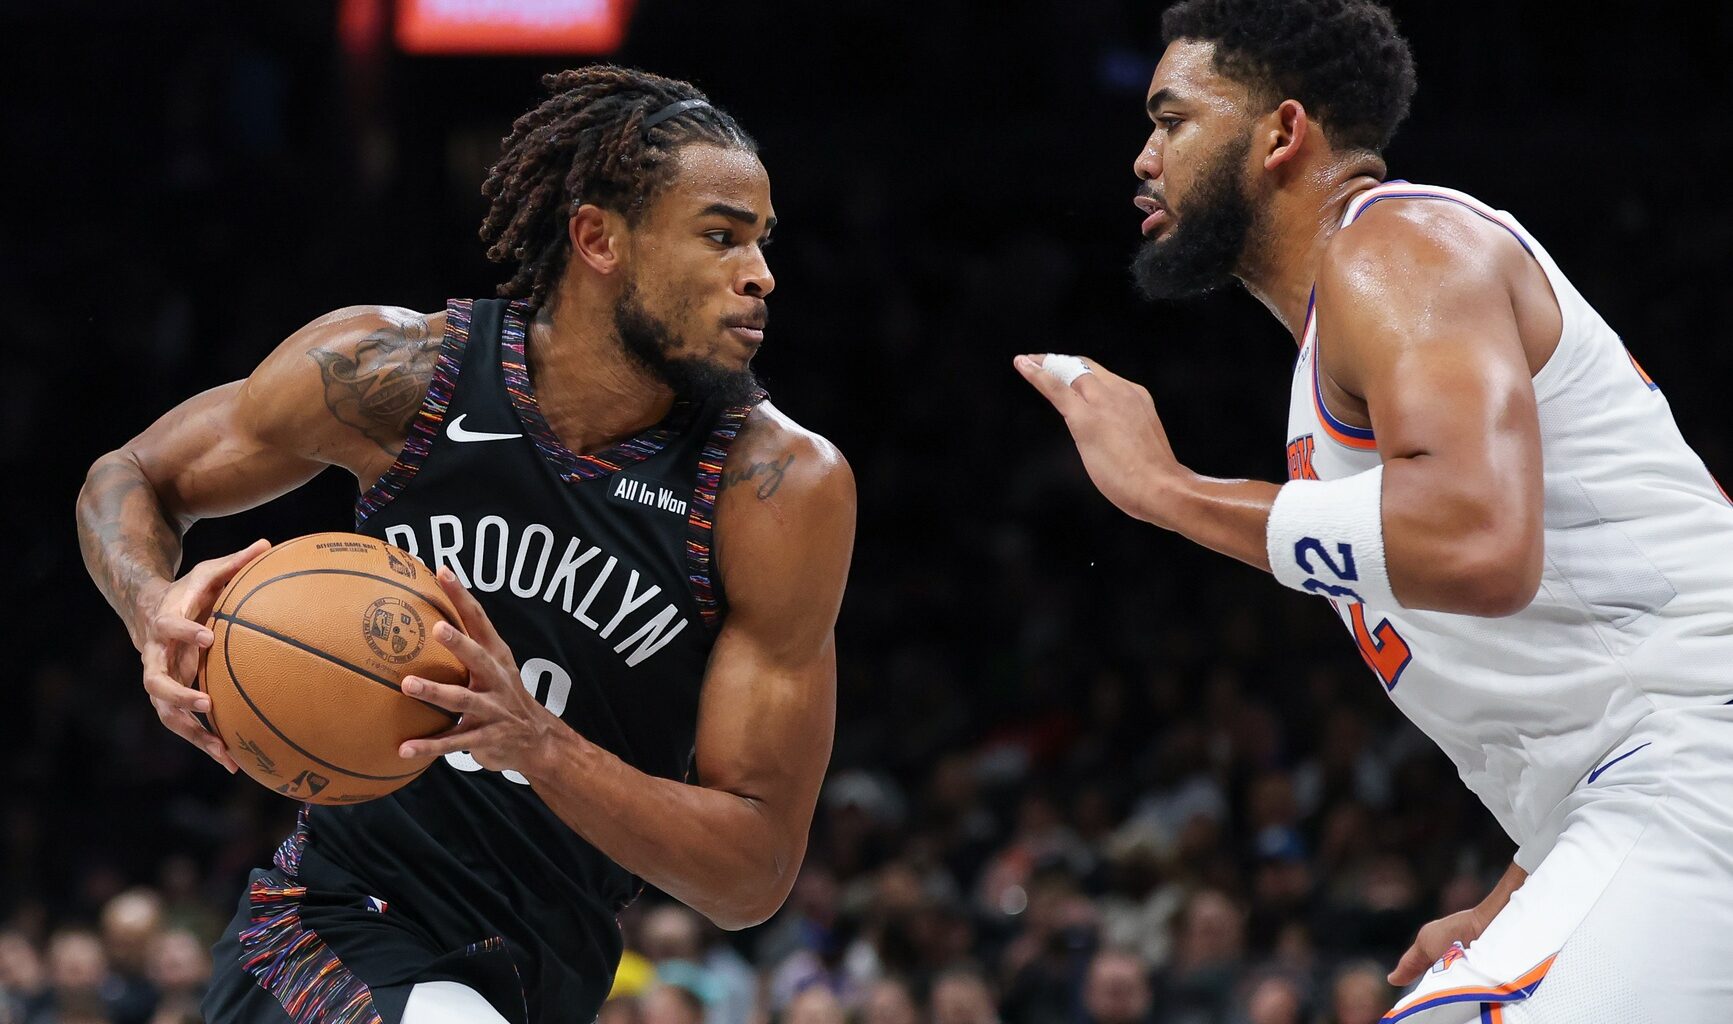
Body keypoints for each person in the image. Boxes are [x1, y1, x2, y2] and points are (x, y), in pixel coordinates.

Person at [76, 65, 855, 1024]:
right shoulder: (398, 377)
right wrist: (152, 608)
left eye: (761, 242)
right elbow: (131, 476)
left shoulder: (776, 489)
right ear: (598, 238)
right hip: (330, 929)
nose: (760, 274)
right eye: (720, 235)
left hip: (544, 973)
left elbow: (753, 874)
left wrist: (540, 744)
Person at [1015, 0, 1733, 1020]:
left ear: (1280, 133)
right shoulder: (1351, 327)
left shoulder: (1398, 246)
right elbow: (1575, 649)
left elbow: (1481, 546)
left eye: (1169, 119)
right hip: (1649, 788)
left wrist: (1166, 492)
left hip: (1692, 770)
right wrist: (1525, 885)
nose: (1140, 157)